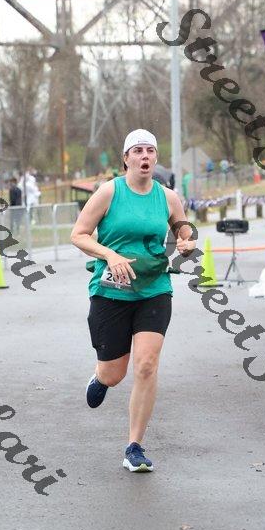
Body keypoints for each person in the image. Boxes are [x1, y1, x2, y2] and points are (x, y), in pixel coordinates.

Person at [70, 129, 196, 473]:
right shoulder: (109, 192)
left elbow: (186, 233)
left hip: (154, 289)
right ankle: (100, 378)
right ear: (126, 158)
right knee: (115, 374)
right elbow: (78, 234)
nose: (145, 156)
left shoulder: (168, 198)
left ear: (155, 158)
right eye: (138, 150)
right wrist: (110, 255)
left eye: (150, 151)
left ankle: (134, 447)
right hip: (111, 292)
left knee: (146, 365)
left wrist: (187, 244)